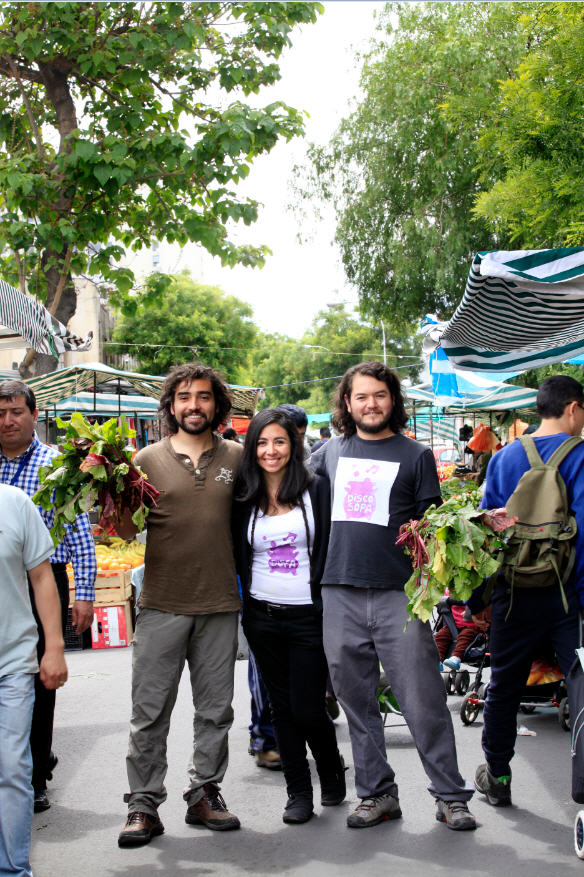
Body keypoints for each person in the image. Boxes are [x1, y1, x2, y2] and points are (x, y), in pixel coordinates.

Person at [311, 361, 476, 831]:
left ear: (392, 400)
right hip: (338, 591)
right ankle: (378, 793)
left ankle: (450, 796)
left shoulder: (416, 455)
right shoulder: (327, 454)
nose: (370, 404)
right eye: (361, 396)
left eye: (379, 395)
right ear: (347, 403)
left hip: (399, 597)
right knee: (356, 702)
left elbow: (435, 527)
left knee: (422, 699)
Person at [118, 363, 243, 848]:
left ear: (217, 405)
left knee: (216, 710)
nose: (195, 405)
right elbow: (125, 531)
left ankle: (204, 792)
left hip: (219, 603)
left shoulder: (237, 456)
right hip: (162, 603)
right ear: (171, 405)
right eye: (185, 397)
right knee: (149, 711)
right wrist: (110, 495)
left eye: (204, 397)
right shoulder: (145, 459)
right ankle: (143, 805)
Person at [469, 375, 584, 807]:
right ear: (573, 407)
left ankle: (497, 775)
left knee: (504, 684)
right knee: (580, 683)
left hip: (512, 591)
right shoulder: (582, 456)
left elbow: (486, 532)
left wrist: (478, 598)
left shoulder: (504, 458)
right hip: (565, 593)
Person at [233, 408, 345, 825]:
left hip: (309, 615)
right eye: (262, 443)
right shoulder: (244, 496)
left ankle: (332, 770)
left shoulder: (317, 488)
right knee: (281, 708)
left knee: (309, 707)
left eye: (279, 441)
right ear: (252, 448)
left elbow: (332, 544)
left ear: (293, 445)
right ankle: (298, 793)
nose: (270, 450)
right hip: (261, 615)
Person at [0, 380, 96, 813]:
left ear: (33, 415)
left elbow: (78, 530)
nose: (8, 421)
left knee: (41, 679)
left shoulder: (56, 464)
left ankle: (35, 775)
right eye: (1, 413)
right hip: (4, 580)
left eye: (16, 411)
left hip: (46, 581)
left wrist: (85, 593)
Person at [0, 483, 68, 877]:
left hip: (12, 662)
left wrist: (54, 646)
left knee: (12, 768)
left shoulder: (14, 502)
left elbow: (43, 578)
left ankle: (13, 869)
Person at [434, 600, 482, 672]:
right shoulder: (449, 590)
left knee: (464, 637)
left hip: (471, 624)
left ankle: (456, 657)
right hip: (453, 623)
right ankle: (436, 659)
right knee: (440, 636)